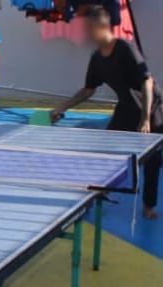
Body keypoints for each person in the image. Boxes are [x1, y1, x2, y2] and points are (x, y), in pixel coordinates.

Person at [51, 6, 162, 219]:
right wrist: (61, 108)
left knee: (152, 161)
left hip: (151, 107)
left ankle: (149, 205)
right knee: (106, 147)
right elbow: (88, 90)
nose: (85, 33)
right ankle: (101, 189)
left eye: (88, 28)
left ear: (102, 26)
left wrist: (145, 119)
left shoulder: (125, 48)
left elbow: (147, 81)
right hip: (126, 106)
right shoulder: (97, 58)